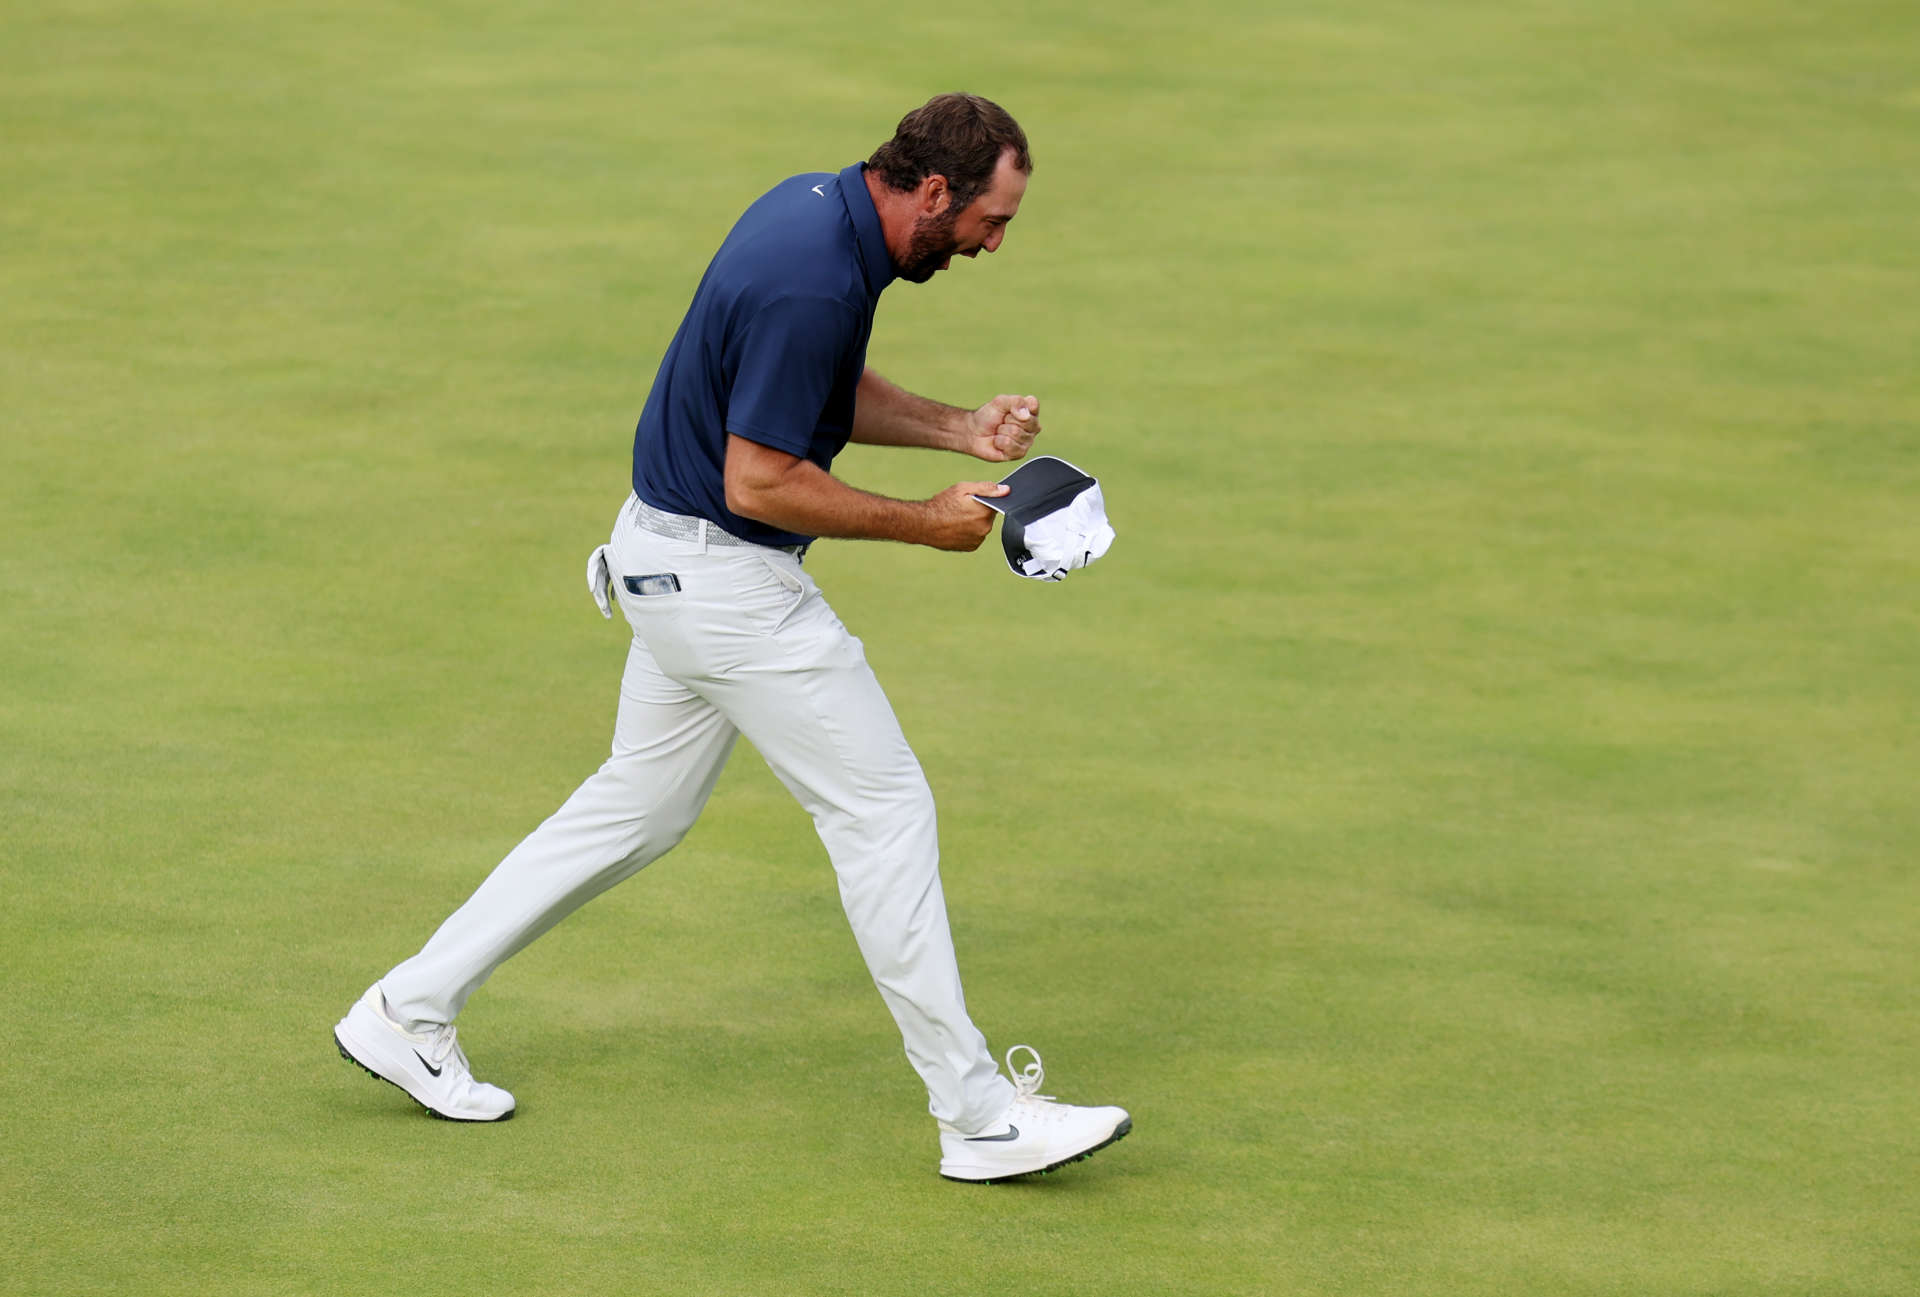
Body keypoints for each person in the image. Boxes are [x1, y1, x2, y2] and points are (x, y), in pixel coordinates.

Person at [333, 93, 1130, 1183]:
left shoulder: (820, 214)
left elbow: (808, 390)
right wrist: (924, 524)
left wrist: (957, 426)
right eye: (993, 219)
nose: (995, 244)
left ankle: (406, 1008)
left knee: (638, 807)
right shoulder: (815, 274)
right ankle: (978, 1114)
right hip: (724, 584)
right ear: (934, 191)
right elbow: (759, 475)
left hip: (664, 562)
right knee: (882, 807)